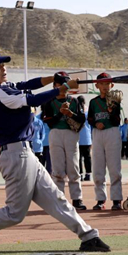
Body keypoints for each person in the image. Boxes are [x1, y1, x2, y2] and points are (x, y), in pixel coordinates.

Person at [0, 48, 110, 252]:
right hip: (16, 155)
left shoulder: (1, 87)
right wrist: (60, 89)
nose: (3, 68)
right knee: (15, 214)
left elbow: (27, 85)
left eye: (3, 64)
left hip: (26, 154)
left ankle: (88, 235)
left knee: (56, 199)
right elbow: (32, 100)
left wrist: (52, 78)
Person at [42, 72, 87, 210]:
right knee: (57, 168)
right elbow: (49, 122)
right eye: (61, 83)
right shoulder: (49, 102)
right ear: (55, 85)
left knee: (73, 167)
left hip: (71, 134)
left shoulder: (74, 101)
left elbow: (81, 120)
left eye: (66, 83)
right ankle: (59, 199)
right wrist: (61, 113)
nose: (64, 86)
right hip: (55, 133)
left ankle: (77, 199)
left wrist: (70, 113)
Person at [87, 73, 123, 210]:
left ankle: (116, 199)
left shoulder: (115, 101)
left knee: (114, 167)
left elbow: (116, 120)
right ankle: (100, 199)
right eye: (102, 84)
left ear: (112, 85)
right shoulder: (93, 102)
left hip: (112, 132)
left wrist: (111, 111)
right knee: (98, 168)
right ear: (97, 85)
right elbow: (90, 118)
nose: (105, 87)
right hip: (98, 133)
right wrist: (96, 124)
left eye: (107, 84)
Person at [77, 95, 92, 181]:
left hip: (78, 137)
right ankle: (88, 174)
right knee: (87, 157)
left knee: (78, 157)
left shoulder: (77, 112)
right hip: (87, 137)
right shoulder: (87, 113)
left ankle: (80, 174)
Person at [37, 107, 52, 173]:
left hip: (40, 143)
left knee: (41, 163)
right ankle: (49, 178)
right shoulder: (52, 117)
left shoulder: (37, 118)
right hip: (50, 142)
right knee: (49, 163)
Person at [31, 109, 46, 173]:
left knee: (39, 167)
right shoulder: (26, 122)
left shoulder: (39, 122)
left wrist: (39, 141)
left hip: (38, 148)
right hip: (29, 149)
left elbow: (42, 134)